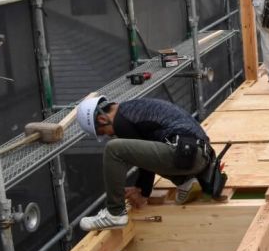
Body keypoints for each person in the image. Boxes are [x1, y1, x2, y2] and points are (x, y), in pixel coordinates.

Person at [75, 95, 214, 230]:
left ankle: (114, 213)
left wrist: (143, 193)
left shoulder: (120, 121)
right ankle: (185, 181)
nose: (108, 135)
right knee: (155, 145)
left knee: (113, 149)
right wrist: (141, 189)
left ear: (102, 119)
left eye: (104, 132)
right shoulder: (131, 109)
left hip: (186, 154)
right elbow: (146, 156)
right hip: (199, 155)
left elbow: (144, 163)